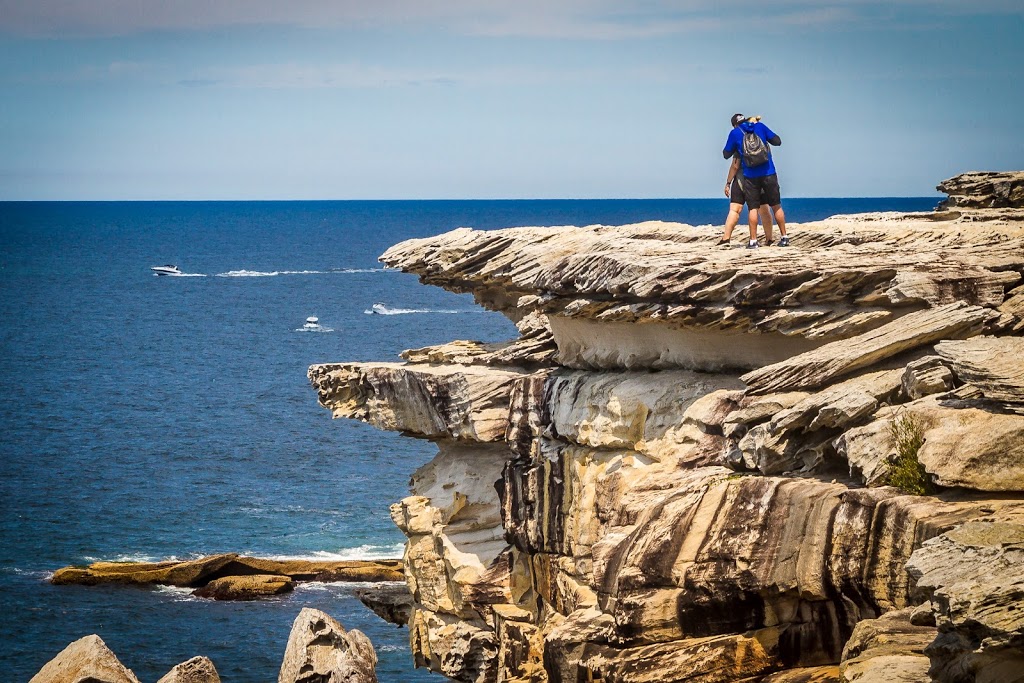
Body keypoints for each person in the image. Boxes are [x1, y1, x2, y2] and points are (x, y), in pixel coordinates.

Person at [723, 113, 790, 248]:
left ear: (735, 124)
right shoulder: (759, 126)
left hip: (750, 176)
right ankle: (784, 237)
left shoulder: (735, 133)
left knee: (753, 208)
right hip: (769, 172)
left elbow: (726, 154)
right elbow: (778, 141)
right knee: (776, 206)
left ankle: (753, 241)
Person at [719, 154, 773, 246]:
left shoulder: (739, 140)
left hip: (741, 178)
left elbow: (735, 166)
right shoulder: (762, 140)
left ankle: (726, 238)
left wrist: (728, 182)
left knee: (735, 210)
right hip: (760, 178)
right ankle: (769, 239)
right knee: (764, 210)